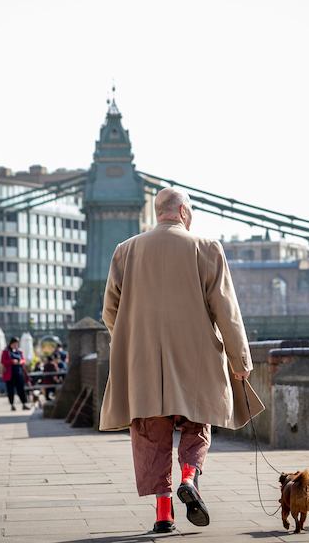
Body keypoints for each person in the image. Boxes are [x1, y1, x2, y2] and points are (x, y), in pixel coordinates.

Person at [99, 187, 263, 534]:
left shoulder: (124, 251)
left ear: (158, 212)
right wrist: (240, 359)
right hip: (196, 357)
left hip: (143, 361)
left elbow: (110, 311)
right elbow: (226, 311)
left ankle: (163, 513)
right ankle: (189, 477)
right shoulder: (206, 248)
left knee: (149, 433)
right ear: (184, 212)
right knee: (197, 422)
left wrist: (131, 342)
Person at [0, 337, 29, 411]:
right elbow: (3, 361)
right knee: (10, 390)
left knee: (21, 389)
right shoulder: (6, 351)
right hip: (10, 374)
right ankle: (12, 405)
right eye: (14, 344)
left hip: (19, 373)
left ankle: (24, 404)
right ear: (11, 343)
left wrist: (20, 362)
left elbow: (23, 360)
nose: (16, 345)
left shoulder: (19, 351)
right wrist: (12, 361)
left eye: (17, 344)